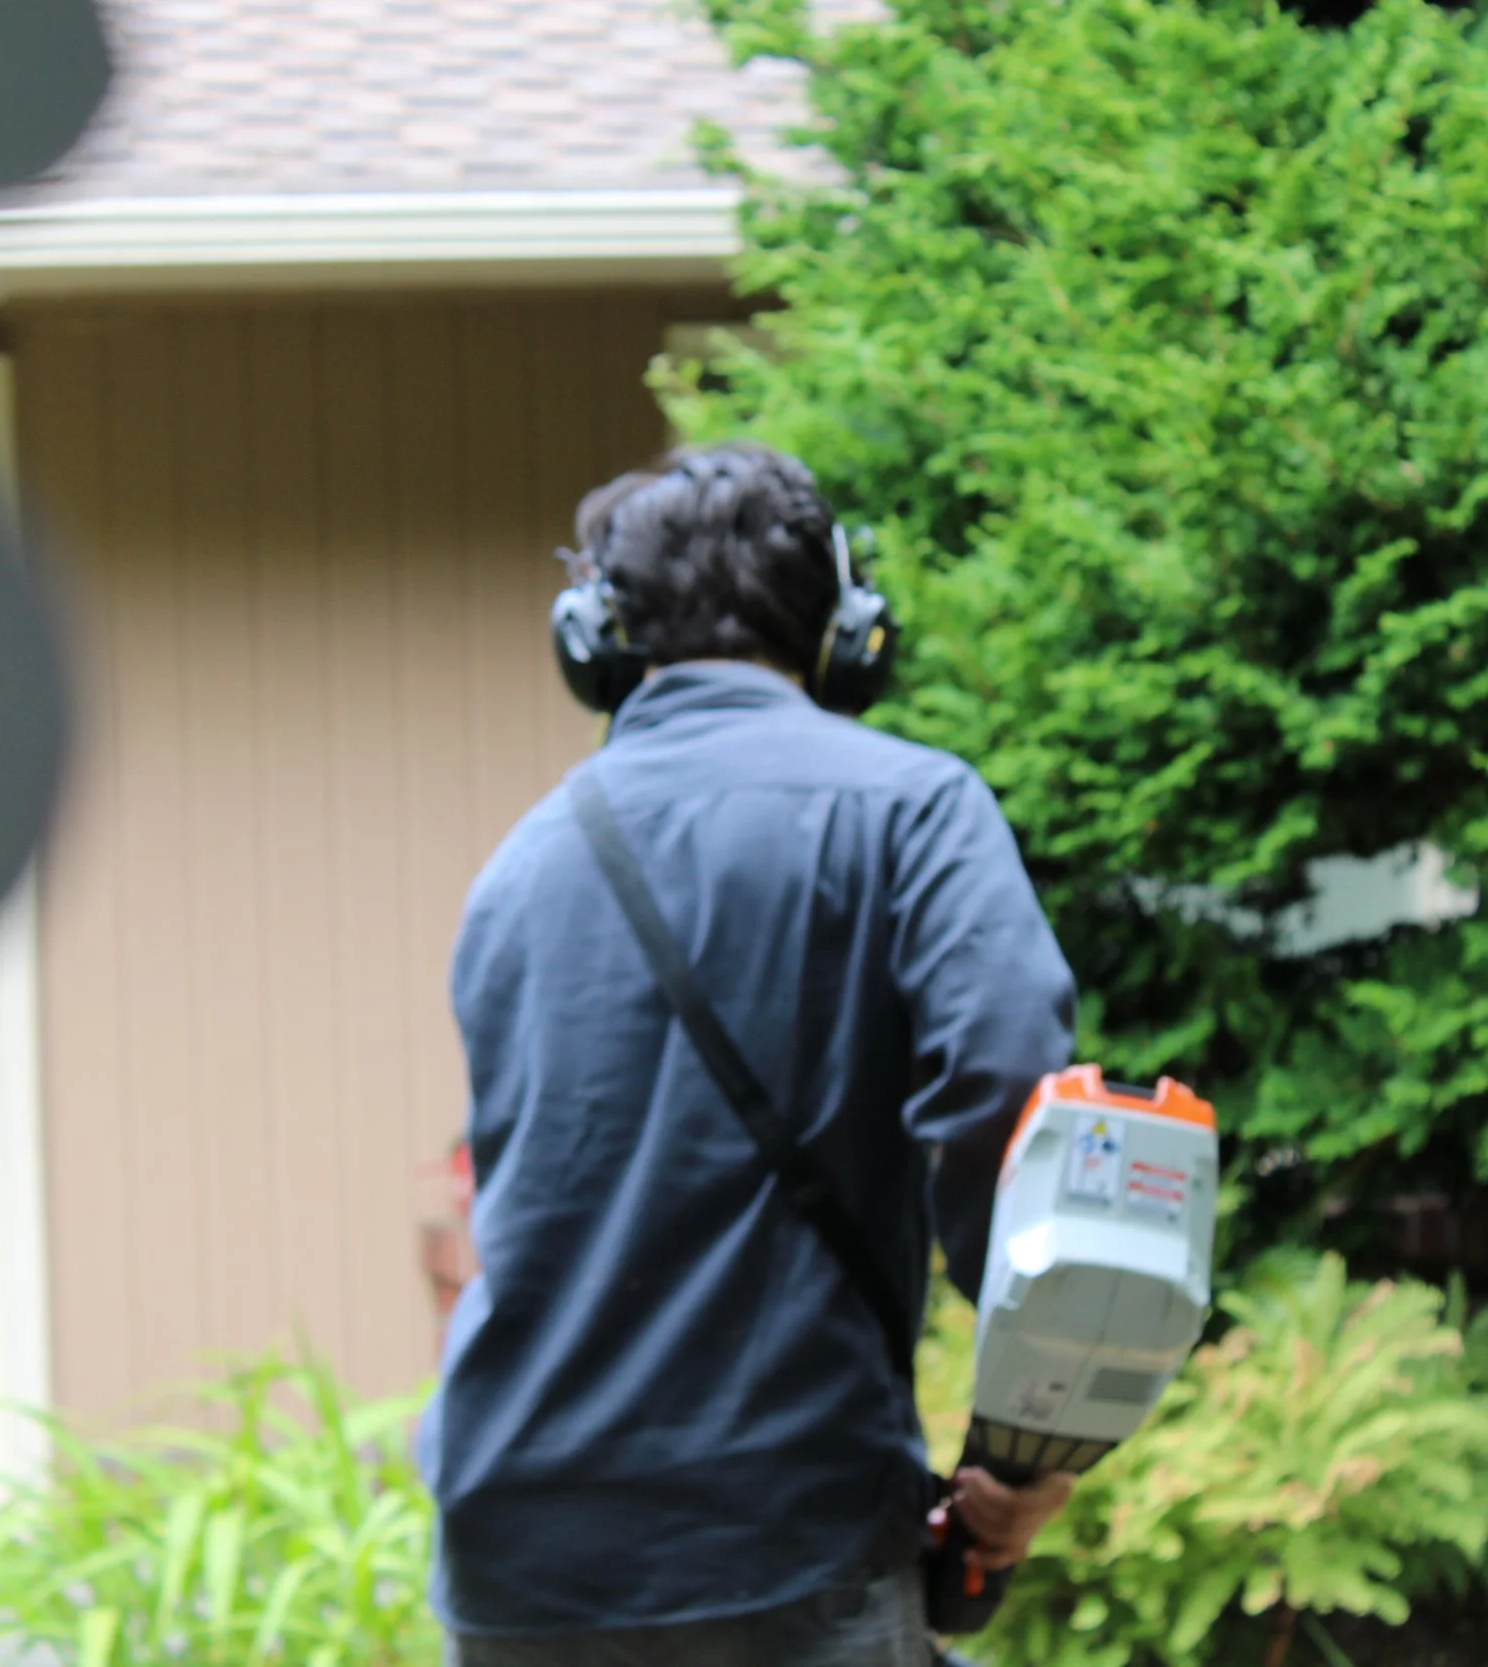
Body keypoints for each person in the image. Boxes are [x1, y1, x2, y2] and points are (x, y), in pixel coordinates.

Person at [417, 442, 1081, 1666]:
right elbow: (1006, 1089)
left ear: (599, 641)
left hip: (514, 1555)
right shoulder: (913, 810)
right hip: (780, 1538)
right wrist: (1023, 1445)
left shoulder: (518, 867)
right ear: (845, 633)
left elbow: (507, 1196)